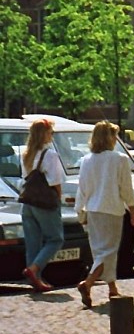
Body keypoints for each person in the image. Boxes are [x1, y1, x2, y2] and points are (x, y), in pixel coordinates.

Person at [73, 121, 134, 308]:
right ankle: (89, 283)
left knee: (100, 250)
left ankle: (112, 286)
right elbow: (126, 189)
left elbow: (83, 188)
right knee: (109, 251)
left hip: (93, 209)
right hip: (112, 209)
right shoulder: (119, 159)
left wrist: (80, 210)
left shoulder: (87, 160)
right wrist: (133, 212)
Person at [19, 118, 65, 292]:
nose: (51, 135)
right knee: (55, 239)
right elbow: (55, 181)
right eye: (50, 132)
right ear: (44, 134)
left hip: (27, 201)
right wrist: (58, 200)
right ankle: (34, 269)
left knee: (33, 242)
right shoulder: (49, 155)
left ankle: (35, 280)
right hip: (44, 202)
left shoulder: (26, 154)